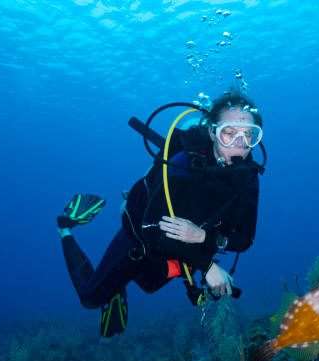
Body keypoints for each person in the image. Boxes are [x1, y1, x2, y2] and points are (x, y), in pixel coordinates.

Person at [56, 92, 263, 336]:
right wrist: (207, 267)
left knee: (149, 284)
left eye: (249, 134)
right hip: (141, 239)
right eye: (229, 132)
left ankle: (117, 287)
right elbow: (151, 229)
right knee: (90, 299)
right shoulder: (184, 163)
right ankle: (65, 226)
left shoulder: (247, 178)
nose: (240, 143)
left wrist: (203, 238)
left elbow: (245, 240)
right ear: (212, 132)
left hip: (182, 252)